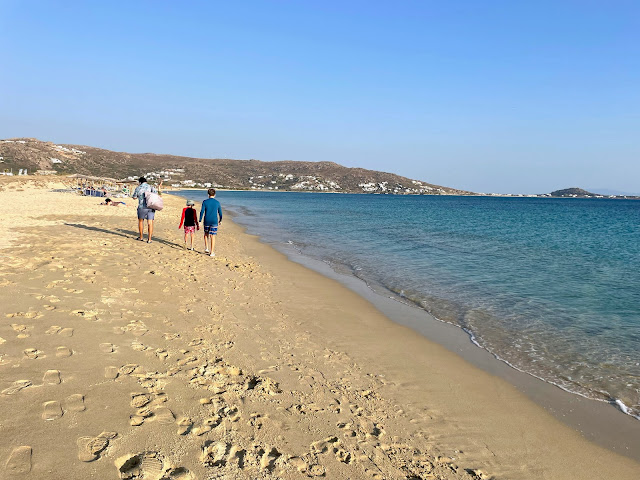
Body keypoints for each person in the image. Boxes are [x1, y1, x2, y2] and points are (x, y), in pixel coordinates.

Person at [132, 177, 162, 243]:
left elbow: (134, 197)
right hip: (151, 207)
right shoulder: (151, 187)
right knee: (150, 223)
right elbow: (157, 195)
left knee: (140, 221)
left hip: (141, 207)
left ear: (140, 182)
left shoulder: (138, 188)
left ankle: (141, 237)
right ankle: (149, 239)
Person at [199, 188, 223, 257]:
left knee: (206, 234)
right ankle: (212, 252)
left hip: (207, 220)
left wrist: (200, 221)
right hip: (214, 221)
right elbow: (220, 213)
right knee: (213, 236)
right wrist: (220, 220)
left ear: (208, 194)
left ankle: (206, 248)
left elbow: (202, 212)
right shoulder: (217, 202)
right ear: (214, 195)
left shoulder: (205, 202)